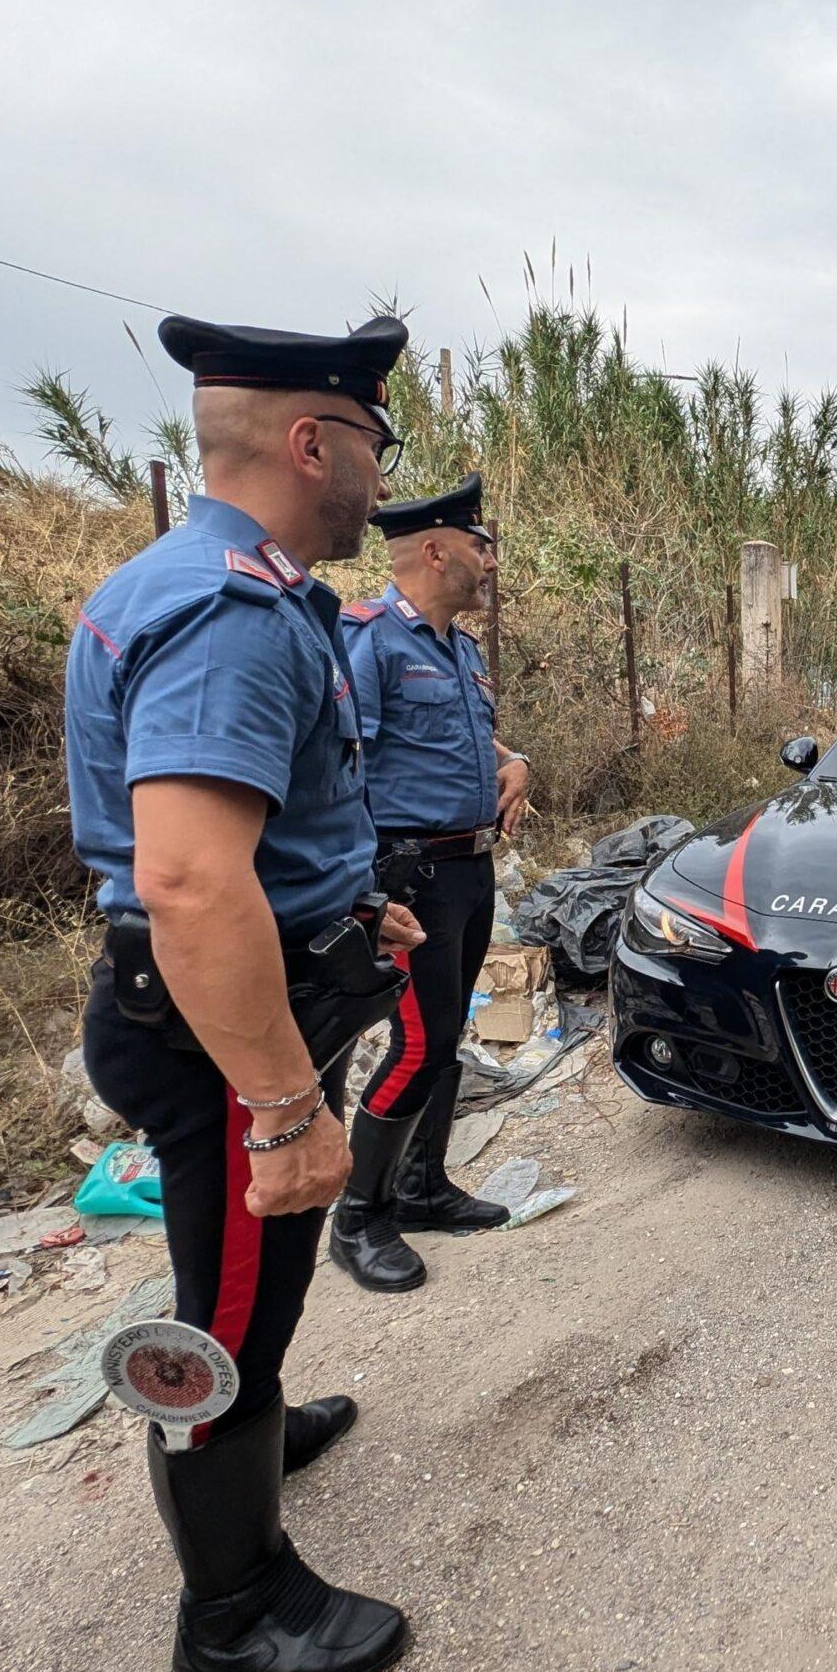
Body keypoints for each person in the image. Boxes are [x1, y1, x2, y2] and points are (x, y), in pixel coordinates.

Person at [66, 310, 427, 1672]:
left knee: (250, 1283)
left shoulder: (236, 582)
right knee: (224, 1318)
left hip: (245, 1010)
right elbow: (194, 883)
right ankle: (235, 1609)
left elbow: (269, 842)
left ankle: (258, 1429)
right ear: (310, 439)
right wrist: (283, 1106)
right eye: (368, 450)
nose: (374, 485)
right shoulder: (230, 614)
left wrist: (353, 909)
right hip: (224, 1043)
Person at [331, 473, 531, 1293]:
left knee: (444, 1040)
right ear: (438, 550)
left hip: (468, 869)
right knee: (414, 1044)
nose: (490, 565)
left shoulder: (460, 648)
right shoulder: (370, 639)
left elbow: (470, 742)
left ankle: (422, 1188)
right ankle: (358, 1216)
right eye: (482, 550)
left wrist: (514, 761)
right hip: (405, 876)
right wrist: (363, 890)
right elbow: (339, 770)